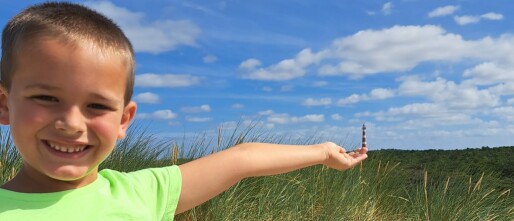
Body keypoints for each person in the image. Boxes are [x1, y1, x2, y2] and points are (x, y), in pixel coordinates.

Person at [0, 2, 368, 220]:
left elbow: (243, 158)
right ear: (5, 104)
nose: (71, 123)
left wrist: (324, 153)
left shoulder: (142, 192)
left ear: (124, 120)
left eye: (96, 105)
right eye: (46, 98)